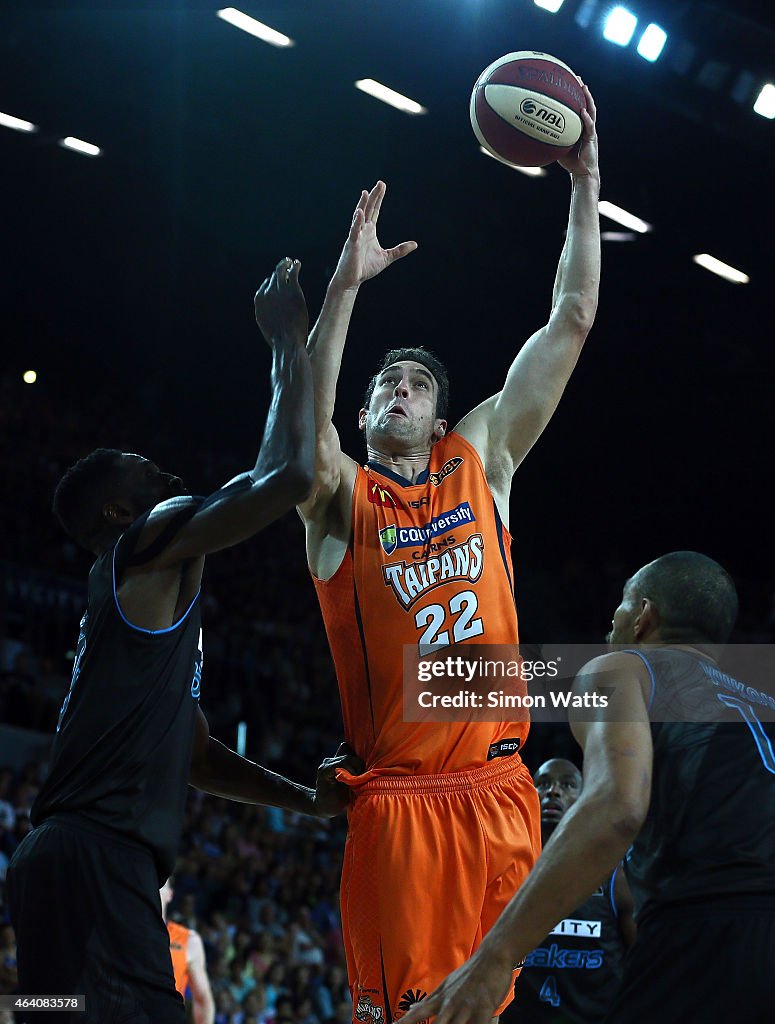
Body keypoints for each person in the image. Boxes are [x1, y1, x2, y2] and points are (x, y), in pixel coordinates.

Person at [298, 81, 600, 1021]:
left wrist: (582, 182)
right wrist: (342, 289)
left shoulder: (483, 461)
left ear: (439, 414)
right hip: (404, 807)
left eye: (418, 382)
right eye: (385, 380)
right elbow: (298, 441)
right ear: (364, 411)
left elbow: (571, 320)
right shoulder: (342, 500)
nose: (400, 388)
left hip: (506, 791)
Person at [6, 258, 362, 1024]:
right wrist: (284, 343)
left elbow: (198, 757)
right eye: (140, 469)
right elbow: (290, 475)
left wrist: (306, 802)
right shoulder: (141, 542)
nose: (160, 468)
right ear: (112, 514)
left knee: (53, 1015)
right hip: (101, 858)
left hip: (56, 865)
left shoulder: (138, 609)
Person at [400, 551, 775, 1024]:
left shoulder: (623, 668)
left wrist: (495, 958)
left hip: (709, 933)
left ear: (643, 616)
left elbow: (615, 806)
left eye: (622, 603)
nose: (612, 618)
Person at [501, 759, 634, 1024]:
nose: (553, 791)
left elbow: (640, 961)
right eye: (543, 784)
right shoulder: (506, 869)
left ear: (584, 799)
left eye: (567, 784)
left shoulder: (614, 875)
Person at [160, 877, 214, 1024]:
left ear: (170, 894)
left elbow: (202, 999)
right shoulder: (122, 935)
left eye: (159, 884)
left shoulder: (189, 940)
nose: (153, 889)